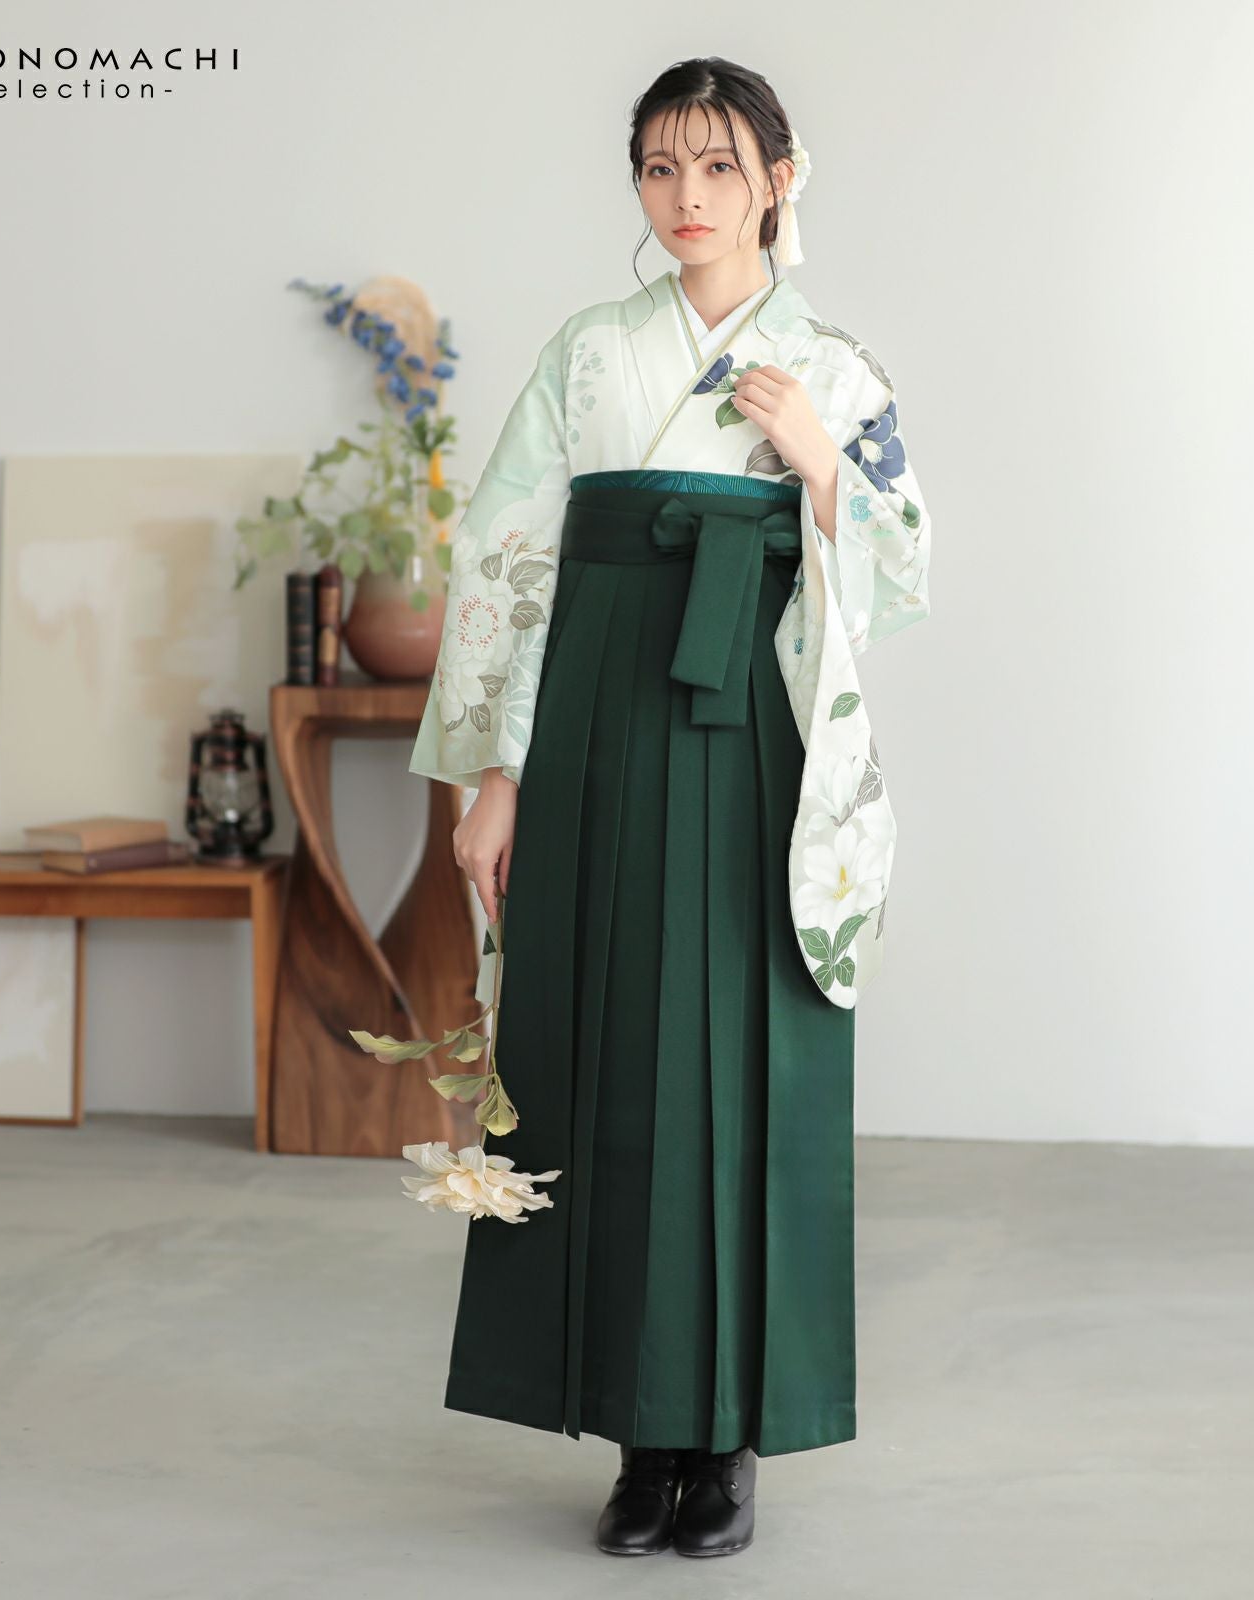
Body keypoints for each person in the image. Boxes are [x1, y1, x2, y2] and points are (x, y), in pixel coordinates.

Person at [408, 55, 932, 1559]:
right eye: (659, 167)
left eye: (717, 167)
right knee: (607, 1055)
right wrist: (497, 774)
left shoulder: (829, 367)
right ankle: (642, 1441)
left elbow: (904, 565)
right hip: (593, 722)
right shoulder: (591, 356)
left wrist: (822, 466)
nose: (687, 197)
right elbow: (510, 563)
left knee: (748, 1062)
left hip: (752, 725)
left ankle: (734, 1438)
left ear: (779, 179)